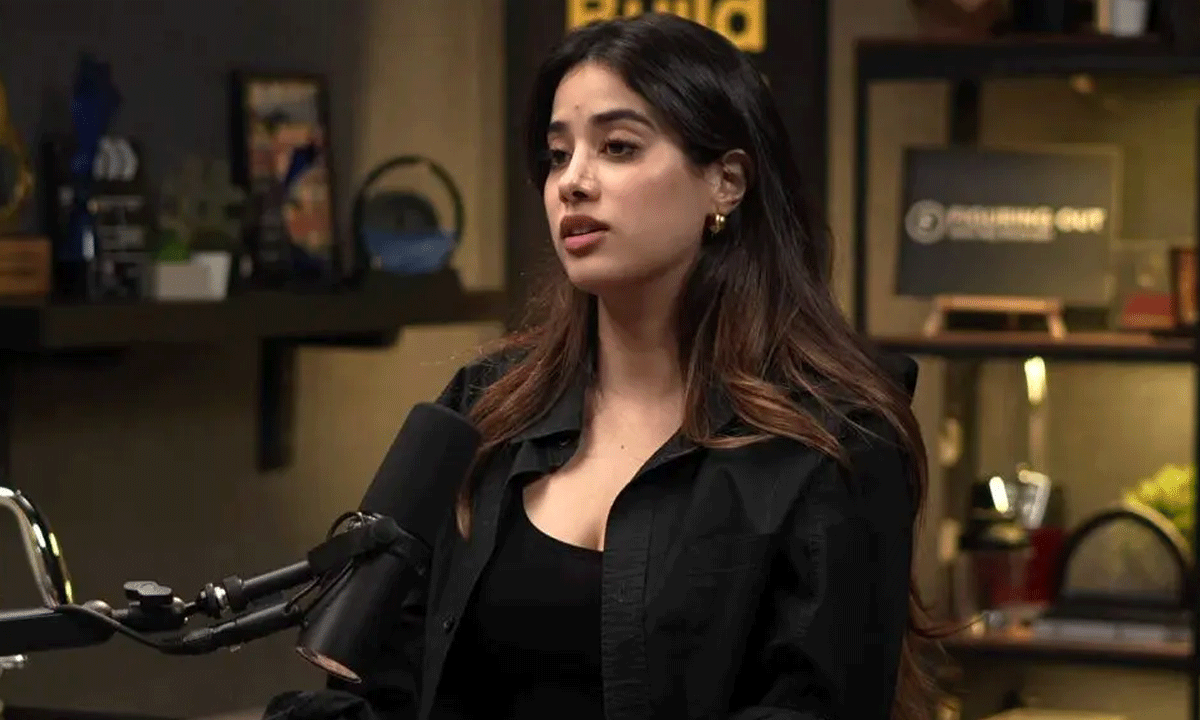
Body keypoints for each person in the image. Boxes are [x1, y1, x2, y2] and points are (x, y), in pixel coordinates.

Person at [331, 12, 933, 720]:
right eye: (558, 155)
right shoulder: (485, 404)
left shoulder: (836, 438)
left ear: (726, 183)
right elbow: (379, 670)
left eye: (617, 147)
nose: (573, 183)